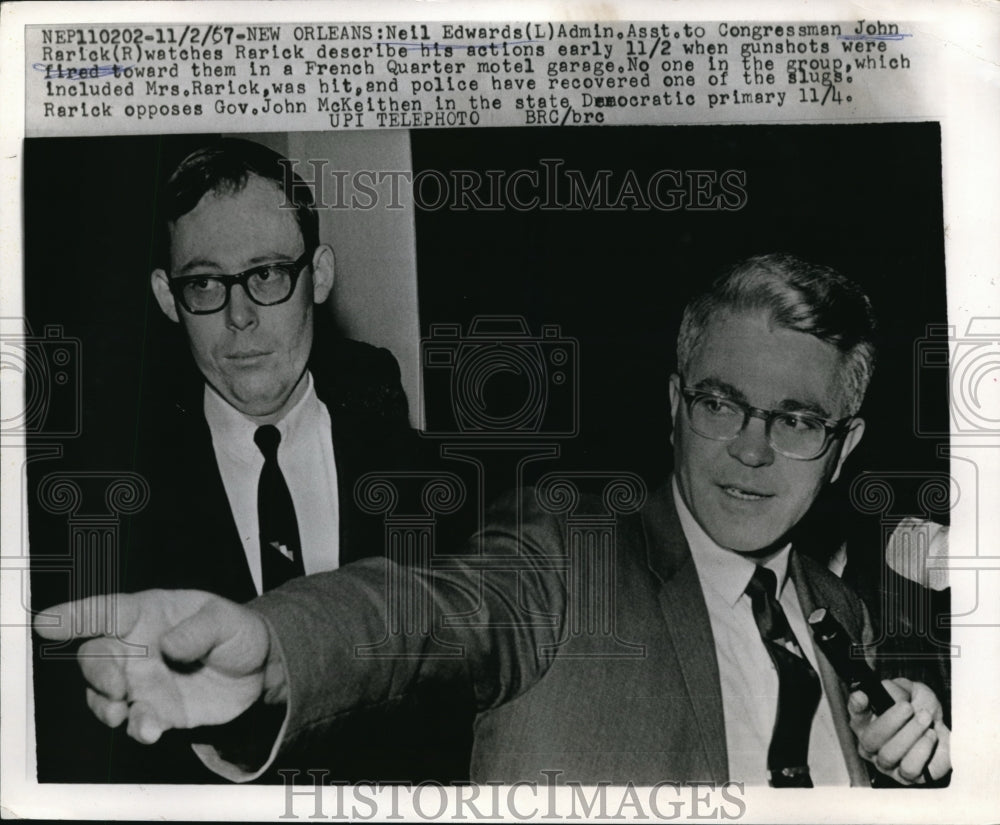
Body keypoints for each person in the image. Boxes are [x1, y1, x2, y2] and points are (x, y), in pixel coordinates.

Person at [37, 254, 951, 787]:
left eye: (794, 420)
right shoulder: (569, 555)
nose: (750, 448)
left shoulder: (848, 617)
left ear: (845, 443)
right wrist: (275, 649)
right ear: (674, 402)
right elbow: (430, 610)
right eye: (720, 401)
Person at [31, 138, 473, 783]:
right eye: (204, 283)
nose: (239, 316)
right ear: (166, 296)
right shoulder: (99, 501)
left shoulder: (426, 476)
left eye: (267, 274)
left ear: (318, 275)